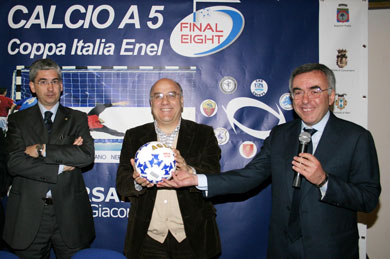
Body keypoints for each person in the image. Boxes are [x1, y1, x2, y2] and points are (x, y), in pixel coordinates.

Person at [160, 63, 381, 258]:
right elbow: (249, 177)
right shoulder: (281, 134)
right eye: (298, 92)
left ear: (331, 96)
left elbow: (369, 199)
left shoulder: (356, 137)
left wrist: (324, 181)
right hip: (282, 248)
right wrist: (195, 179)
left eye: (315, 91)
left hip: (331, 250)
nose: (305, 100)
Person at [116, 78, 221, 259]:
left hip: (192, 237)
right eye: (158, 96)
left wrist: (192, 172)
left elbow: (215, 178)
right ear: (151, 104)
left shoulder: (203, 134)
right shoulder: (134, 136)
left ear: (181, 101)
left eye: (171, 95)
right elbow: (121, 184)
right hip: (148, 239)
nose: (165, 102)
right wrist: (137, 182)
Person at [4, 58, 95, 258]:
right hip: (27, 216)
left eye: (54, 81)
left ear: (61, 86)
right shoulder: (18, 120)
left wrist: (41, 149)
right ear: (32, 87)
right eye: (43, 82)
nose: (50, 87)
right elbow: (14, 162)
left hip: (70, 215)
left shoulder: (77, 118)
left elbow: (86, 155)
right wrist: (61, 166)